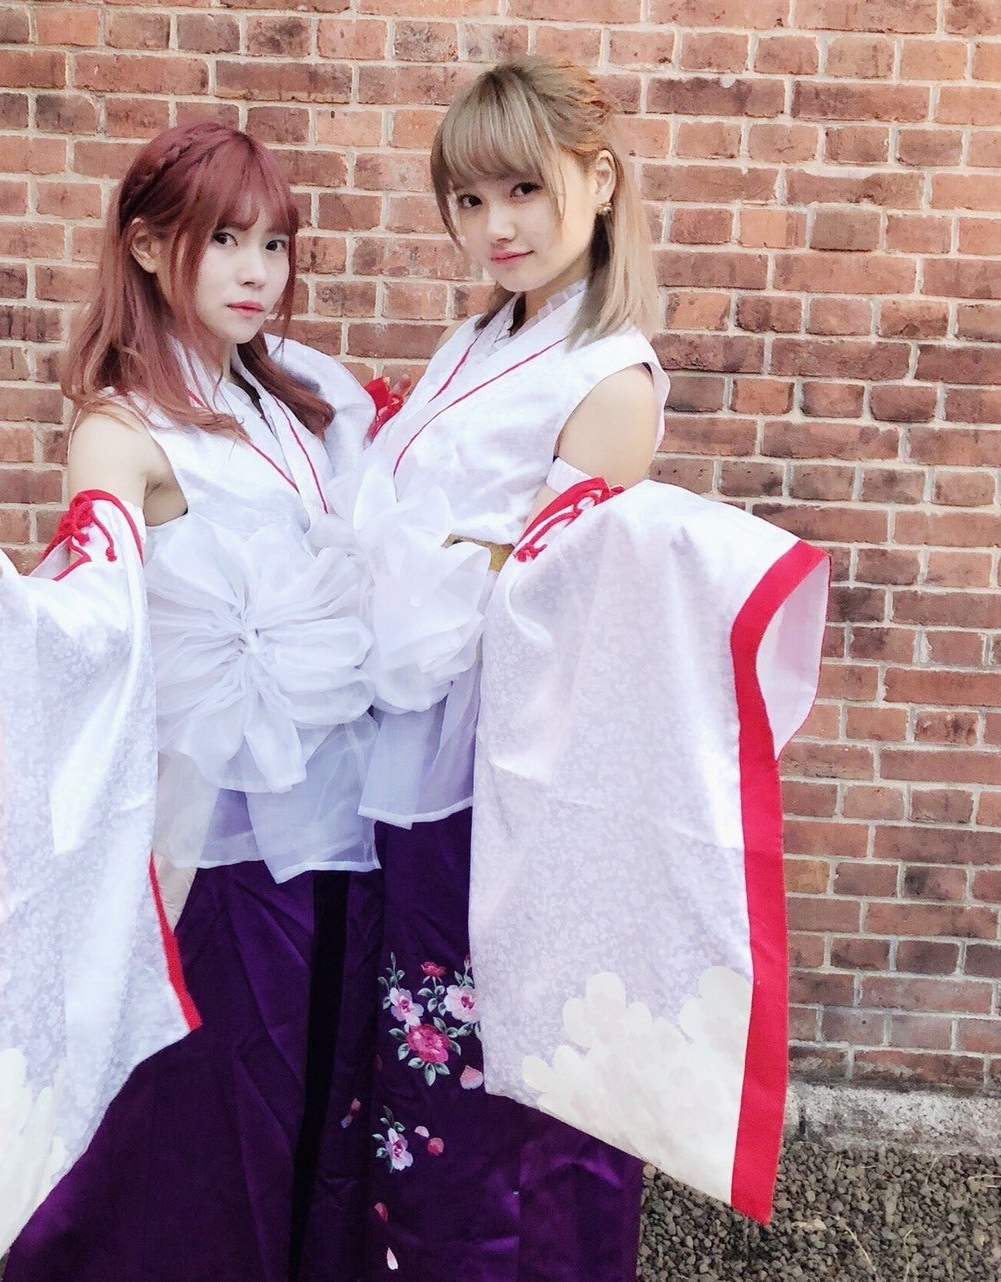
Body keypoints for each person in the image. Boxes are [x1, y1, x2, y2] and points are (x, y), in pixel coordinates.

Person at [0, 122, 384, 1282]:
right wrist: (8, 601)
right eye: (221, 240)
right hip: (221, 845)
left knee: (319, 1094)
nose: (254, 271)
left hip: (335, 814)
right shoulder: (121, 427)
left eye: (272, 244)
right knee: (212, 1123)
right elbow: (95, 584)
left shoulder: (294, 399)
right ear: (141, 243)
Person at [352, 58, 670, 1282]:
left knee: (490, 1076)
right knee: (415, 1056)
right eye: (470, 199)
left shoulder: (608, 375)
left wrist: (421, 578)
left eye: (524, 190)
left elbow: (552, 605)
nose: (496, 226)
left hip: (500, 768)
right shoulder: (482, 335)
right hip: (414, 739)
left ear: (600, 180)